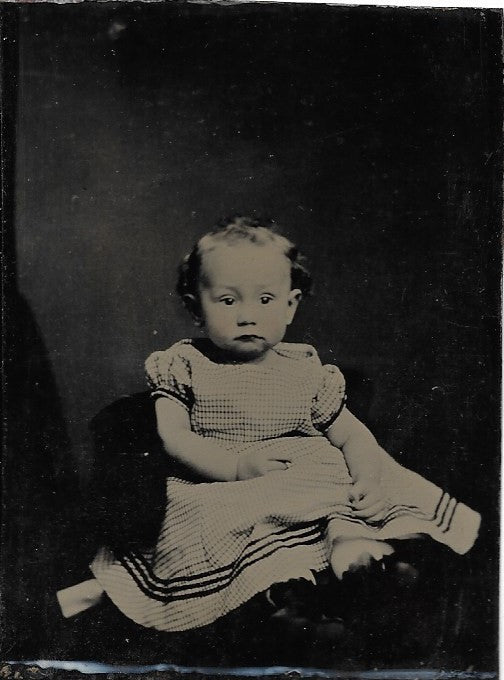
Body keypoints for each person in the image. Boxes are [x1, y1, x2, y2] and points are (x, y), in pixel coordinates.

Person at [60, 216, 480, 634]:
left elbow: (351, 435)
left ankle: (358, 561)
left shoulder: (305, 370)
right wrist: (237, 467)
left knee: (338, 499)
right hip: (222, 481)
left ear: (291, 305)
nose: (248, 316)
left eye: (265, 300)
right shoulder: (184, 365)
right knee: (207, 519)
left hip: (303, 479)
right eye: (228, 301)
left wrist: (368, 478)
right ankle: (283, 595)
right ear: (194, 308)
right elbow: (175, 438)